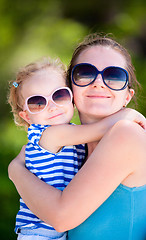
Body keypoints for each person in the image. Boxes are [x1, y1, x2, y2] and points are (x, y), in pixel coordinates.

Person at [8, 34, 146, 240]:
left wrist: (16, 171)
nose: (99, 82)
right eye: (85, 73)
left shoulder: (126, 133)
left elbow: (61, 218)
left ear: (127, 96)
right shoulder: (74, 151)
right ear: (70, 88)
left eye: (114, 76)